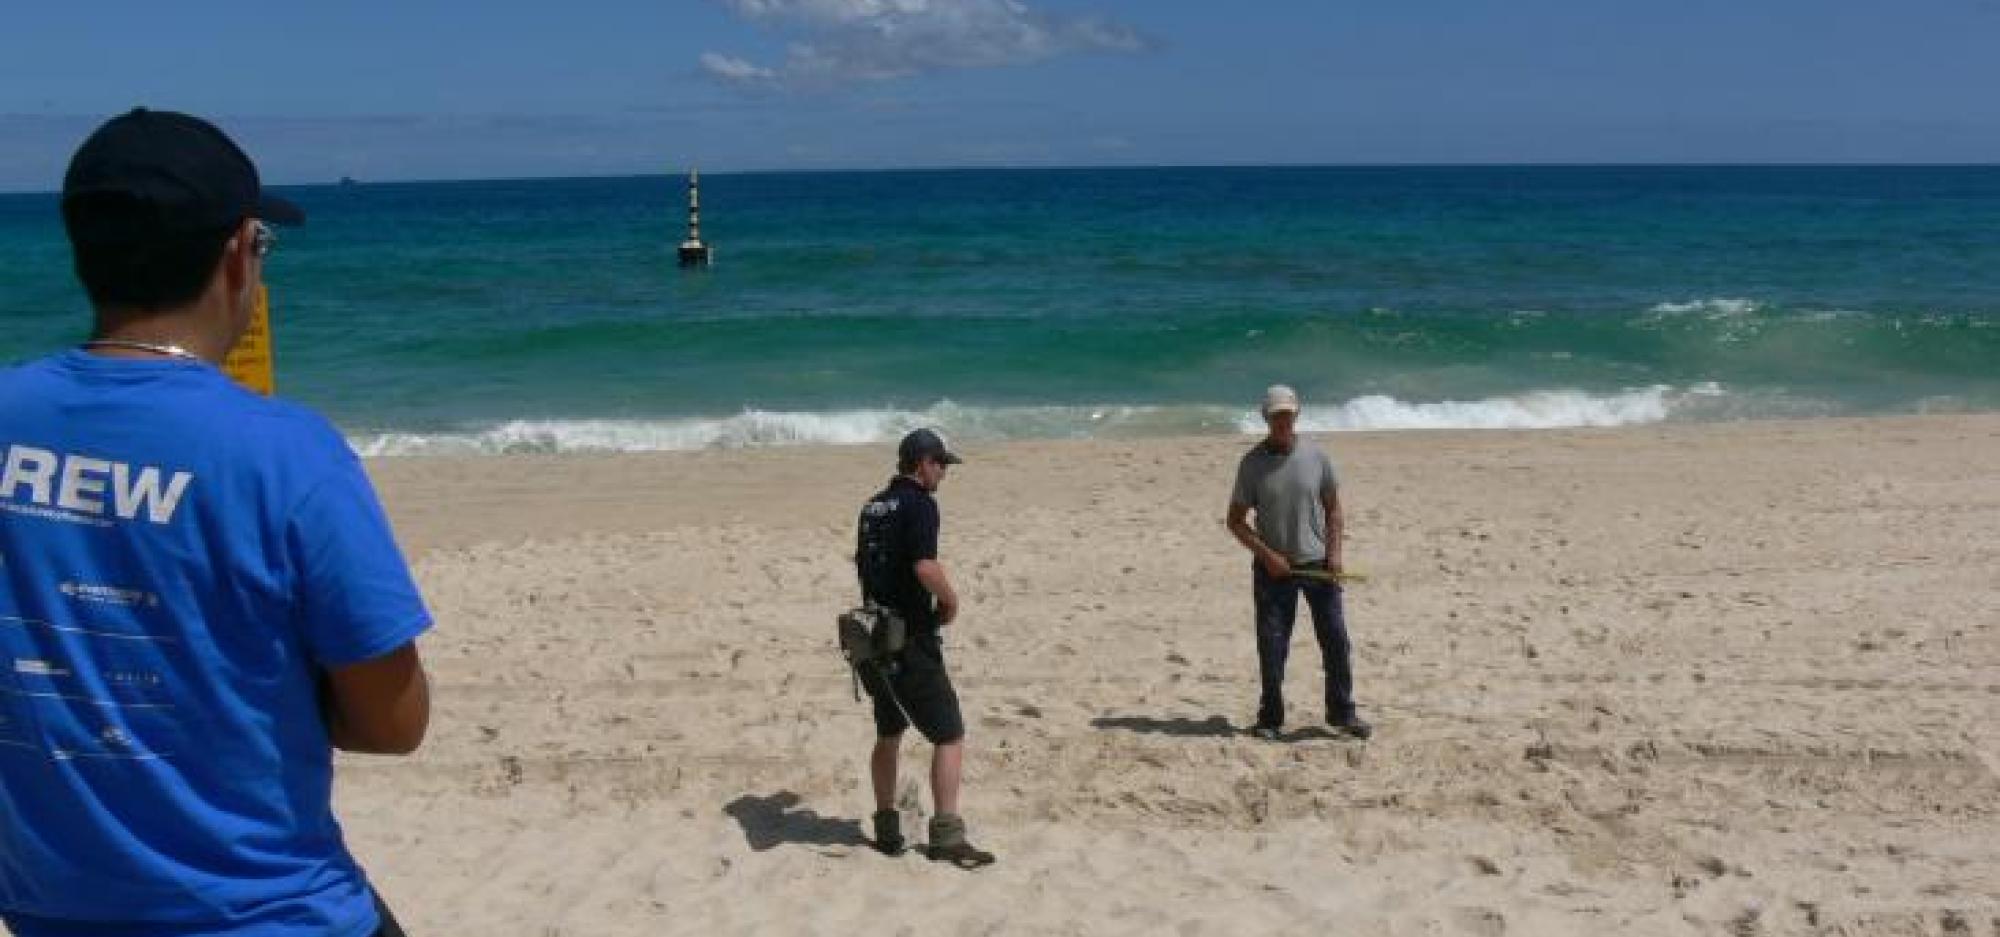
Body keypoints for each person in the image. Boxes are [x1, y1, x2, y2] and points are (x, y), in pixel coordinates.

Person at [0, 108, 432, 937]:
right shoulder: (287, 455)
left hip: (56, 912)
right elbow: (395, 722)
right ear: (240, 253)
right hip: (271, 912)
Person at [852, 428, 995, 868]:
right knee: (949, 735)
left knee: (889, 731)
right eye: (941, 464)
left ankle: (886, 827)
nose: (944, 473)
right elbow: (925, 567)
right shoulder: (921, 505)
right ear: (921, 464)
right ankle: (947, 836)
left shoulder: (872, 505)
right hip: (909, 636)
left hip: (871, 634)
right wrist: (950, 601)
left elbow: (864, 565)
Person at [1225, 385, 1371, 742]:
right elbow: (1235, 521)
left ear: (1296, 415)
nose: (1282, 422)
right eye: (1276, 416)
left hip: (1318, 566)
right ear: (1266, 418)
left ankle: (1342, 713)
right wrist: (1268, 556)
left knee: (1336, 641)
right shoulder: (1251, 464)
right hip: (1273, 571)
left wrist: (1335, 554)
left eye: (1288, 415)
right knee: (1273, 646)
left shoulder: (1317, 456)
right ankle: (1270, 718)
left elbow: (1334, 509)